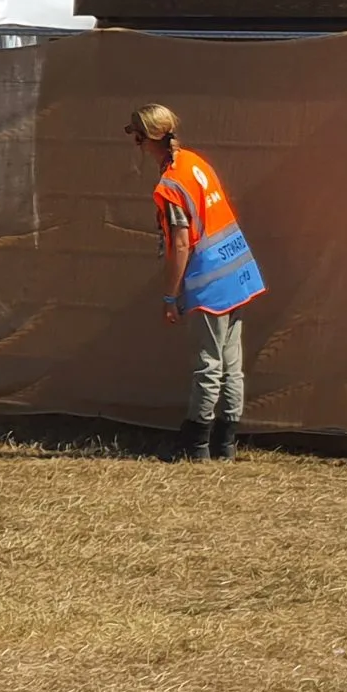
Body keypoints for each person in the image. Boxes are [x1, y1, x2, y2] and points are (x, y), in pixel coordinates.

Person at [128, 104, 267, 462]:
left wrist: (169, 296)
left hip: (211, 279)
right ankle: (226, 443)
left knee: (209, 363)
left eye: (137, 136)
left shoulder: (169, 184)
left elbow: (179, 242)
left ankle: (197, 441)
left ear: (145, 138)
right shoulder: (194, 162)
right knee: (230, 362)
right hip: (238, 270)